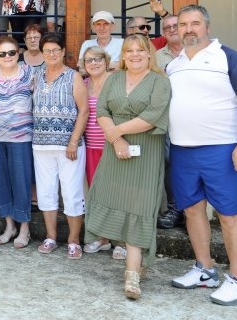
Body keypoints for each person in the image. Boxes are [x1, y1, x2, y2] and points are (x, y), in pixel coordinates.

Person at [168, 5, 237, 306]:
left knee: (228, 214)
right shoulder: (174, 64)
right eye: (183, 24)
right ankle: (205, 269)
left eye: (195, 23)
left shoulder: (227, 57)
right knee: (193, 211)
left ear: (207, 26)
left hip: (221, 150)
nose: (188, 29)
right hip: (182, 150)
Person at [84, 34, 171, 300]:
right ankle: (130, 259)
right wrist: (117, 139)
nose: (134, 55)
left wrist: (114, 134)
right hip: (116, 152)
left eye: (140, 50)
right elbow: (101, 111)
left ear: (148, 54)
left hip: (145, 153)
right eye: (129, 50)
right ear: (123, 54)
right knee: (115, 202)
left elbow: (151, 116)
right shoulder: (113, 79)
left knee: (139, 207)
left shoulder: (160, 82)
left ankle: (132, 274)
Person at [32, 33, 89, 259]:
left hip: (69, 147)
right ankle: (51, 237)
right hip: (41, 145)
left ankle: (74, 240)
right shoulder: (36, 75)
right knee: (46, 193)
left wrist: (74, 140)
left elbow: (83, 111)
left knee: (72, 192)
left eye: (56, 50)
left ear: (63, 51)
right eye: (47, 51)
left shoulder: (73, 76)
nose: (52, 54)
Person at [0, 36, 35, 248]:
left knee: (21, 181)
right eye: (2, 54)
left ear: (19, 53)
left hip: (21, 137)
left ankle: (24, 228)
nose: (7, 57)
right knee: (1, 182)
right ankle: (9, 226)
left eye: (11, 53)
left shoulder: (30, 73)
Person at [155, 14, 185, 229]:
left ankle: (193, 211)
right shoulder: (156, 57)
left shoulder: (197, 53)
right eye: (167, 27)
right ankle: (175, 209)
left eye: (176, 25)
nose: (172, 29)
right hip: (166, 117)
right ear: (163, 33)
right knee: (168, 161)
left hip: (193, 118)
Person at [81, 47, 111, 187]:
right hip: (91, 146)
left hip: (112, 144)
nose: (94, 63)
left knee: (114, 187)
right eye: (89, 60)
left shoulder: (116, 81)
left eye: (98, 59)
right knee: (95, 185)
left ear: (106, 61)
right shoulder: (83, 84)